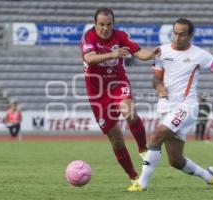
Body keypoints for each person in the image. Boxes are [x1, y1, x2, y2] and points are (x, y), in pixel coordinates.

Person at [127, 18, 213, 191]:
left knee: (157, 135)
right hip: (167, 108)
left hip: (187, 107)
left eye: (182, 34)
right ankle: (209, 176)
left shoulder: (200, 55)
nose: (177, 37)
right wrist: (160, 87)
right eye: (175, 33)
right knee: (176, 161)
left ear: (190, 36)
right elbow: (156, 79)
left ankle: (142, 184)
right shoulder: (161, 51)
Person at [80, 7, 160, 184]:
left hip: (118, 84)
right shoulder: (89, 37)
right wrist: (113, 53)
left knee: (129, 112)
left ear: (113, 24)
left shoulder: (121, 36)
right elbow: (90, 58)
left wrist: (152, 54)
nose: (105, 28)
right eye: (101, 24)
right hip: (97, 93)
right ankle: (133, 176)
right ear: (95, 24)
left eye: (109, 24)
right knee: (116, 139)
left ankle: (143, 149)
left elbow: (139, 53)